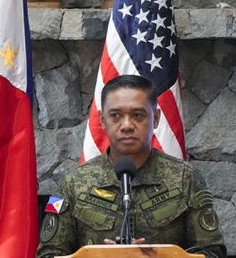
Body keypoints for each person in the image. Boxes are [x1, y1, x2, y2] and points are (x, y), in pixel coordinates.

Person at [37, 75, 226, 258]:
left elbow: (212, 252)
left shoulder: (186, 178)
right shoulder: (72, 182)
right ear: (102, 120)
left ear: (157, 117)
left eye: (137, 115)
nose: (127, 125)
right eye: (115, 116)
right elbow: (48, 253)